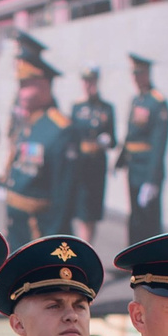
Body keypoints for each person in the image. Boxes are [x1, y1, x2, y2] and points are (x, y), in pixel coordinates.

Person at [1, 39, 69, 245]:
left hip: (39, 232)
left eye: (24, 85)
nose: (20, 92)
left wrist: (52, 243)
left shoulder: (59, 130)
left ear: (42, 85)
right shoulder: (29, 122)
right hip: (18, 226)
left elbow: (62, 199)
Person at [118, 54, 168, 242]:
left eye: (140, 74)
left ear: (147, 74)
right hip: (134, 168)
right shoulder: (137, 100)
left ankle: (155, 263)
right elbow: (131, 135)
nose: (136, 78)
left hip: (147, 170)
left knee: (149, 220)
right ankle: (134, 261)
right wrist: (120, 160)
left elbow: (158, 144)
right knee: (135, 217)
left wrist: (151, 180)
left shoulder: (157, 102)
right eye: (134, 74)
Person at [64, 68, 115, 239]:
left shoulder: (106, 108)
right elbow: (71, 136)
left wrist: (106, 140)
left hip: (96, 165)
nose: (88, 85)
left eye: (91, 81)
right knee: (81, 213)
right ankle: (83, 250)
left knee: (91, 214)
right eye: (85, 81)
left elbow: (113, 140)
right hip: (80, 166)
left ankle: (88, 248)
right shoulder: (77, 107)